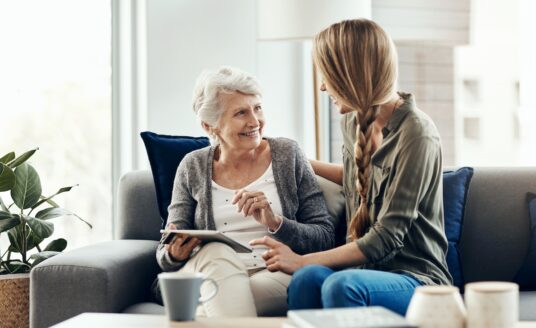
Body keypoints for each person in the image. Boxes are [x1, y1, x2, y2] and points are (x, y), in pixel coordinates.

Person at [250, 18, 452, 315]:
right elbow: (357, 178)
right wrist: (298, 161)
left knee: (339, 286)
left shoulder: (417, 133)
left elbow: (387, 236)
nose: (321, 86)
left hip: (416, 279)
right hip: (360, 270)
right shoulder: (350, 121)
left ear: (353, 74)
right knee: (307, 280)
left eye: (328, 75)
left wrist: (303, 259)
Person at [155, 66, 335, 317]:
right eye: (241, 112)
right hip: (207, 269)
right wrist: (173, 253)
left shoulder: (288, 154)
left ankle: (201, 310)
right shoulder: (192, 166)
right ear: (210, 126)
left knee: (212, 299)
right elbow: (167, 246)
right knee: (216, 253)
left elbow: (325, 236)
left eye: (258, 108)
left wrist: (276, 222)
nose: (255, 121)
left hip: (271, 273)